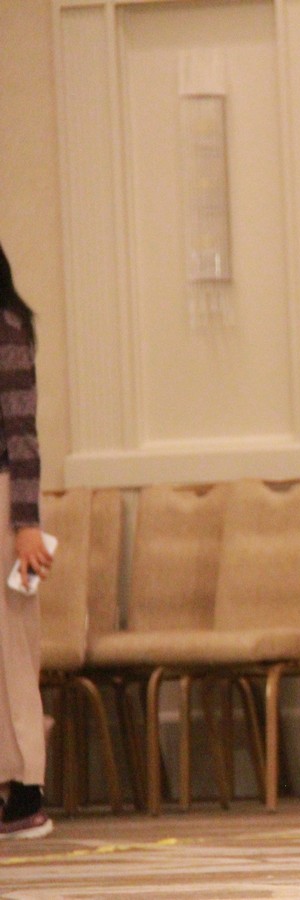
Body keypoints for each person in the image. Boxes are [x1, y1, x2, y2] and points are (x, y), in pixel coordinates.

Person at [0, 242, 55, 839]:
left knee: (13, 647)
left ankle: (27, 788)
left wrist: (25, 523)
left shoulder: (7, 326)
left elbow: (22, 432)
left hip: (4, 502)